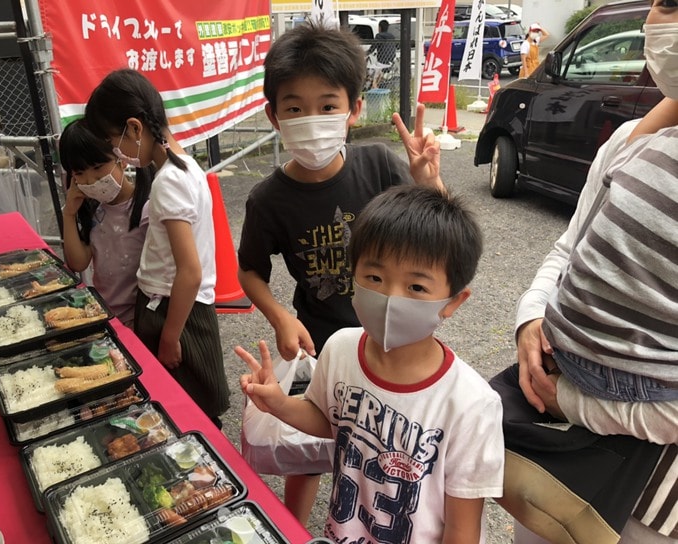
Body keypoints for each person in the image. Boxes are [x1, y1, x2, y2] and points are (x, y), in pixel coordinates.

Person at [236, 21, 443, 524]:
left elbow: (437, 244)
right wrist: (281, 316)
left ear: (354, 108)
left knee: (382, 448)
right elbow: (249, 271)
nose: (312, 119)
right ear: (273, 115)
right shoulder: (268, 200)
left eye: (328, 105)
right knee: (309, 450)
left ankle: (377, 523)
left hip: (390, 342)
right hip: (321, 346)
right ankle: (293, 528)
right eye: (294, 108)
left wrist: (429, 185)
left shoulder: (379, 167)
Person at [493, 1, 678, 540]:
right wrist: (532, 318)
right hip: (553, 468)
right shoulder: (632, 141)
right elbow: (570, 248)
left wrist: (571, 402)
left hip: (652, 511)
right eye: (667, 2)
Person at [237, 185, 504, 543]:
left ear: (453, 301)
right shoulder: (341, 348)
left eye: (416, 287)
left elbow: (462, 530)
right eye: (375, 278)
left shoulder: (472, 404)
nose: (390, 298)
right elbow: (331, 421)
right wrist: (279, 404)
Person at [84, 69, 230, 428]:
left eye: (112, 140)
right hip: (174, 306)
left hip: (173, 312)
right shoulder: (187, 166)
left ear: (134, 129)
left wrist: (169, 336)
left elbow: (190, 271)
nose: (115, 151)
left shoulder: (168, 182)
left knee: (183, 411)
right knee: (187, 405)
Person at [59, 118, 151, 328]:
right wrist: (69, 214)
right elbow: (78, 263)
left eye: (98, 167)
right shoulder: (94, 210)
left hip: (141, 322)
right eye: (79, 173)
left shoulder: (146, 210)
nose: (90, 180)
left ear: (122, 158)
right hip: (106, 316)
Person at [368, 19, 397, 89]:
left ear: (380, 27)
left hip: (381, 63)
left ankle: (374, 87)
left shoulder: (379, 36)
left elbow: (373, 48)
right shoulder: (392, 36)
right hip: (390, 62)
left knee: (370, 71)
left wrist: (365, 53)